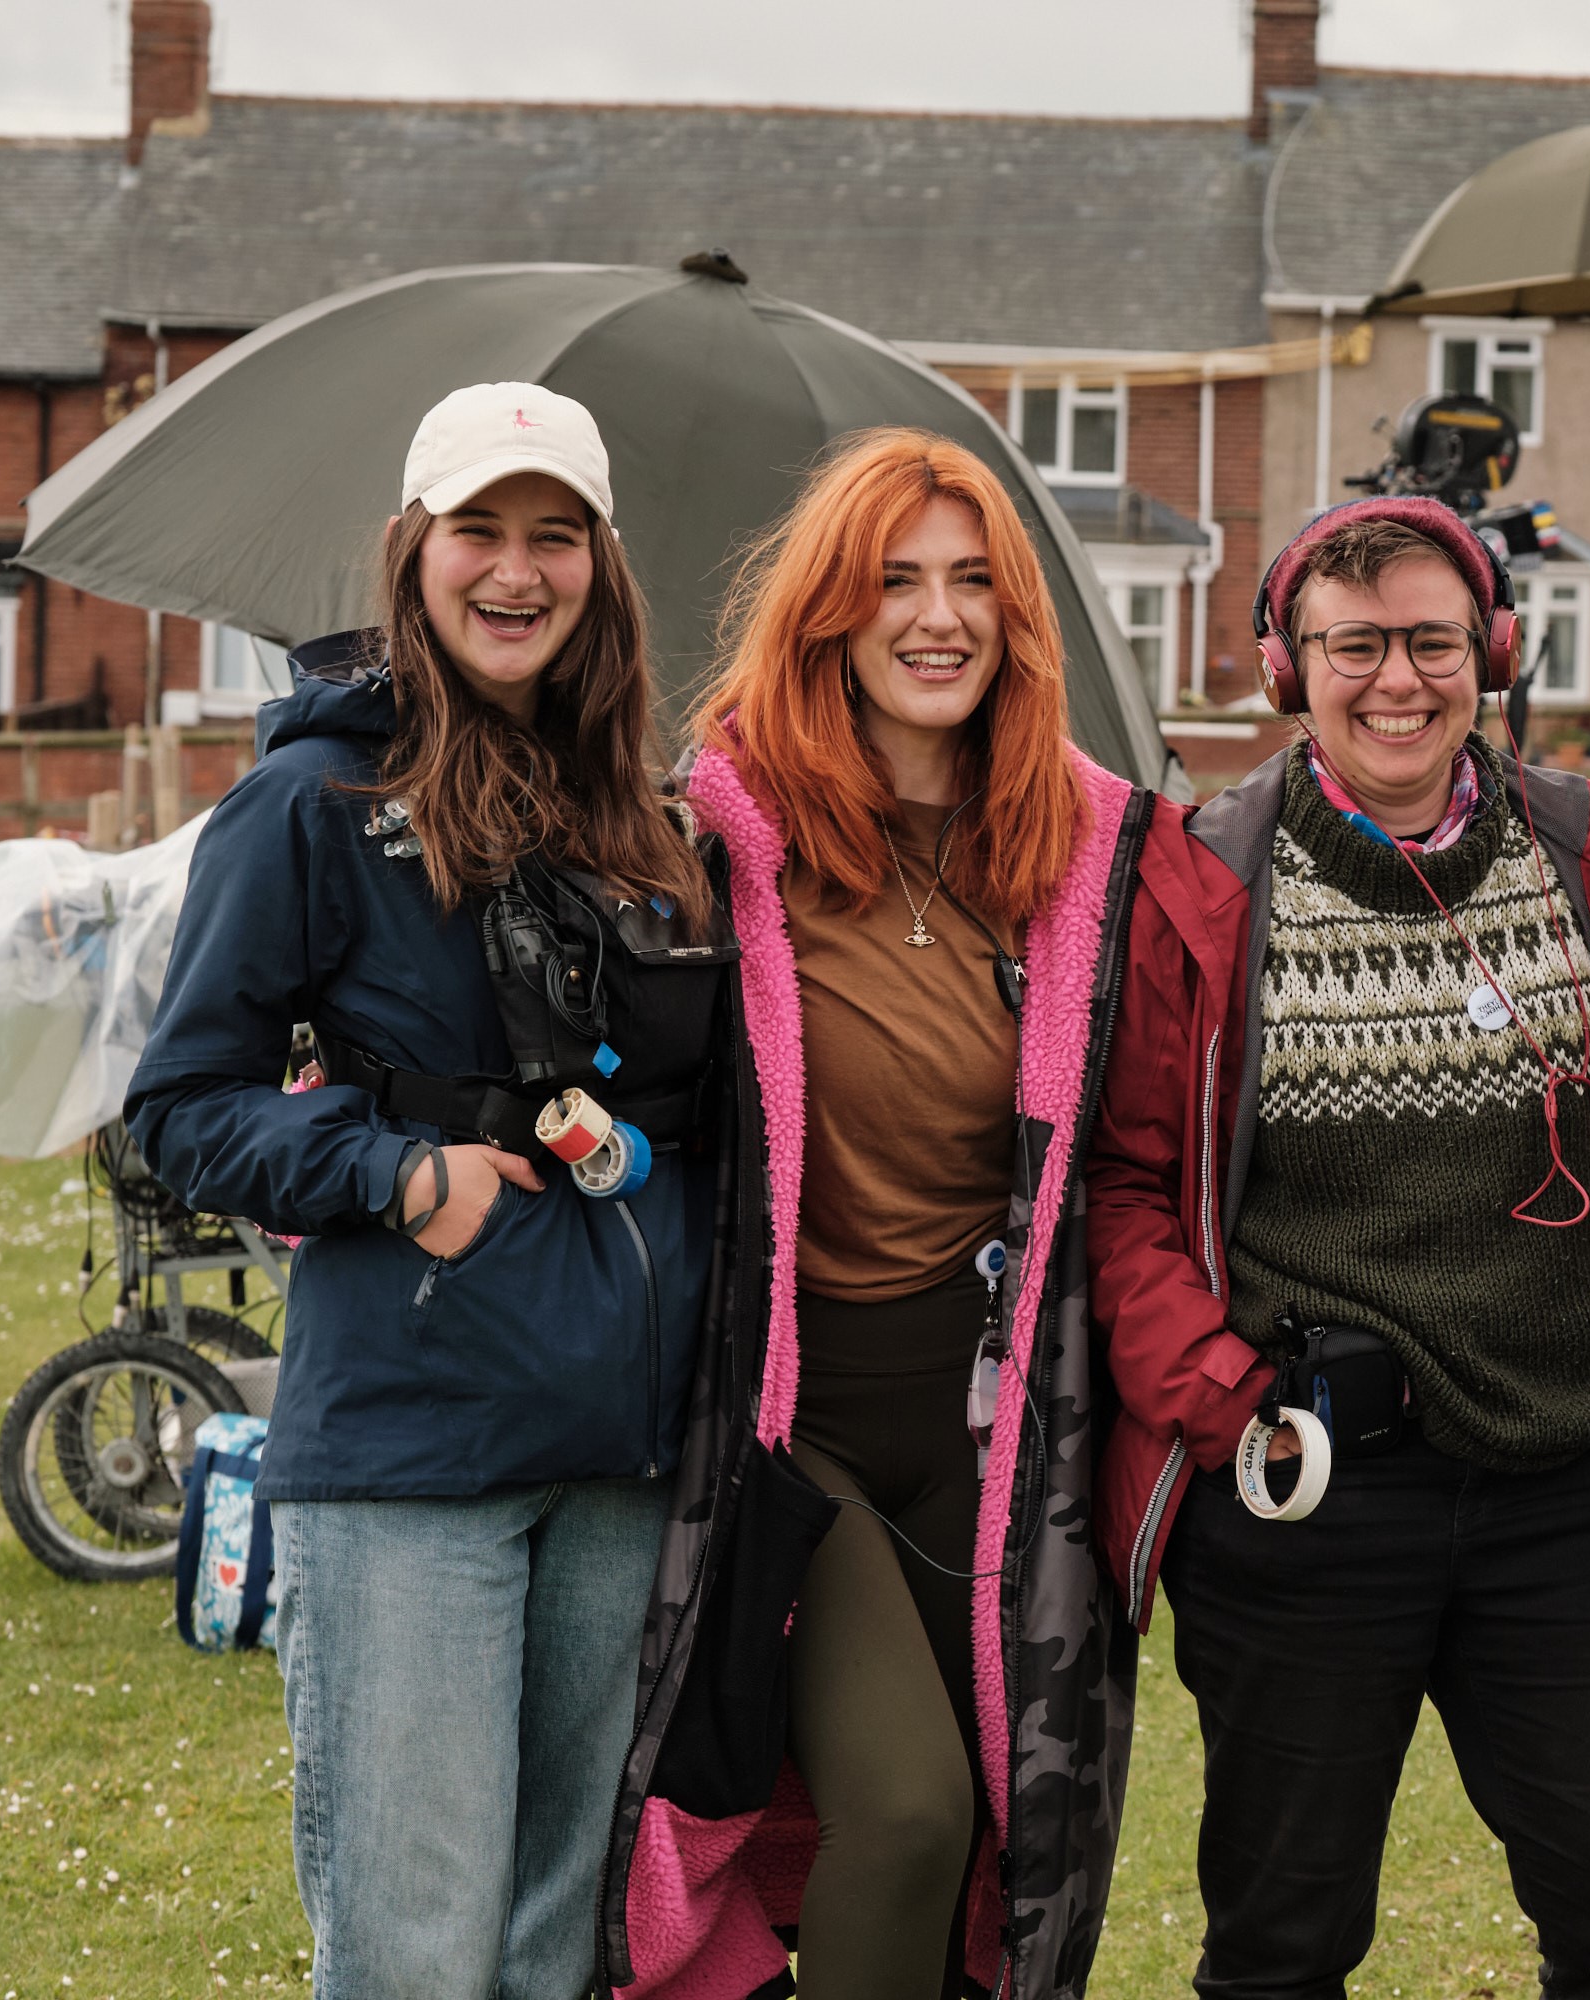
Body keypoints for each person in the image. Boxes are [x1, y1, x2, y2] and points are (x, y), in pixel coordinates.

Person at [127, 383, 729, 2000]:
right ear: (414, 549)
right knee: (416, 1947)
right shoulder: (311, 808)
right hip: (410, 1454)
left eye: (554, 535)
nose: (514, 572)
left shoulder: (650, 813)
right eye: (480, 530)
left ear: (600, 565)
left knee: (555, 1944)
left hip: (620, 1458)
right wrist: (392, 1172)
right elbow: (179, 1108)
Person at [1087, 496, 1590, 1999]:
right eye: (1354, 648)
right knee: (1282, 1940)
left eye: (1431, 642)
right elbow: (1123, 1186)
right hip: (1312, 1485)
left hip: (1570, 1486)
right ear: (1288, 668)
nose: (1397, 683)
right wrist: (1223, 1400)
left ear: (1493, 649)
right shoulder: (1198, 883)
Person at [604, 430, 1152, 2000]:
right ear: (830, 612)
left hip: (992, 1437)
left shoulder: (1076, 849)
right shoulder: (724, 842)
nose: (938, 615)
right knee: (907, 1813)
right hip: (798, 1427)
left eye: (974, 581)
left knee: (997, 1846)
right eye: (895, 580)